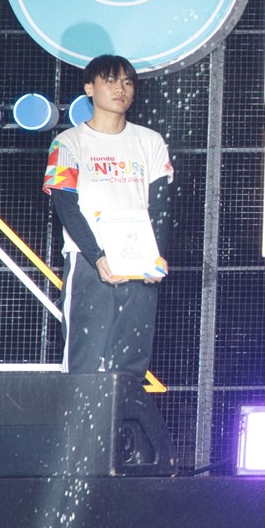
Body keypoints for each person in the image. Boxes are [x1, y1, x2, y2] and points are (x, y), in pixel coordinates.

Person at [43, 55, 173, 374]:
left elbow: (160, 207)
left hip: (138, 265)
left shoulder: (151, 141)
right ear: (89, 88)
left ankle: (123, 410)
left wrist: (154, 256)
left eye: (127, 82)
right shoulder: (67, 142)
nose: (120, 89)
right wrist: (98, 257)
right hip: (89, 262)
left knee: (130, 367)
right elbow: (66, 206)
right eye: (111, 80)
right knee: (84, 364)